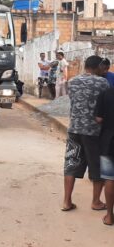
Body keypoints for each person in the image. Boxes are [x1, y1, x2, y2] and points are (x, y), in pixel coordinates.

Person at [63, 55, 110, 212]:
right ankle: (96, 202)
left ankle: (67, 201)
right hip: (94, 132)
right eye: (102, 67)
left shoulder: (73, 81)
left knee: (71, 163)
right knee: (97, 167)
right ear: (97, 67)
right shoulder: (103, 83)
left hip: (74, 129)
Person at [95, 86, 114, 225]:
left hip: (109, 141)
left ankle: (109, 216)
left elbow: (99, 119)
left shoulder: (106, 93)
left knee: (110, 178)